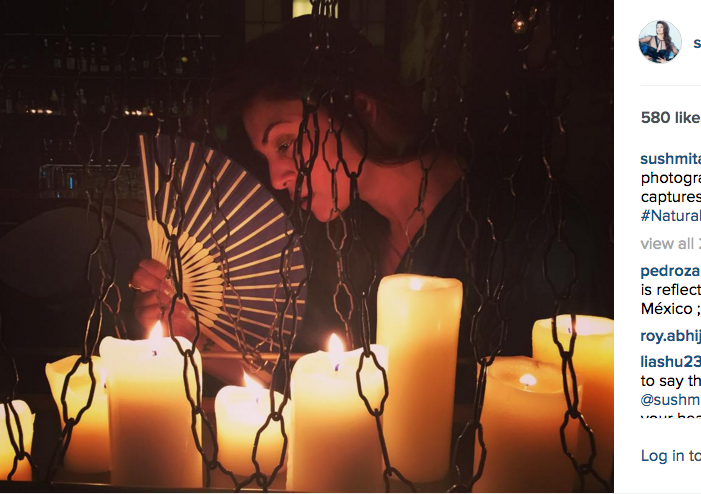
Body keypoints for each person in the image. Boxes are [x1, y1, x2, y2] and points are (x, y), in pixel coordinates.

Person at [131, 15, 611, 381]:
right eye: (266, 157)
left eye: (286, 143)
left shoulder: (530, 231)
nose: (277, 178)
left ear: (359, 109)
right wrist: (194, 337)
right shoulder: (340, 247)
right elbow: (307, 384)